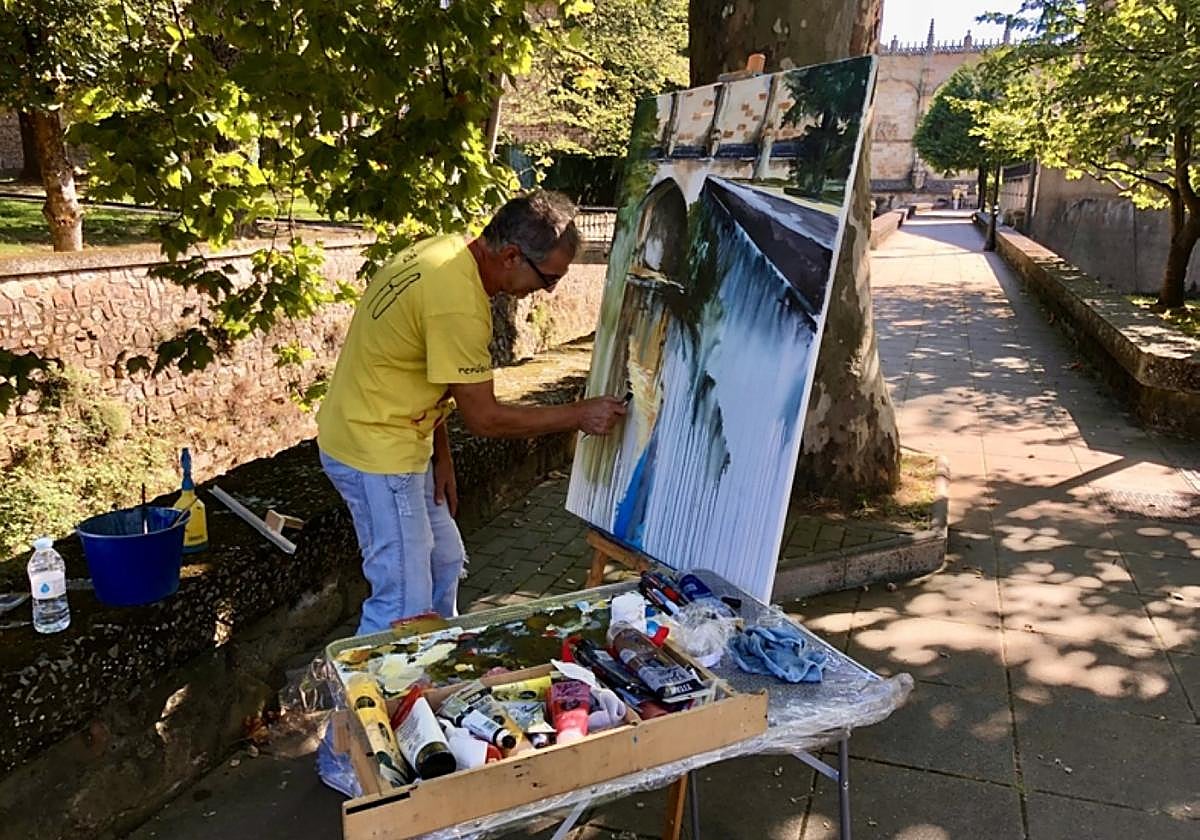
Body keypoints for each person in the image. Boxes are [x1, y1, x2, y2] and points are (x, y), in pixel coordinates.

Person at [317, 191, 626, 635]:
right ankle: (365, 699)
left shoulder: (445, 251)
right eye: (548, 279)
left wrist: (442, 457)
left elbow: (433, 377)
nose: (547, 292)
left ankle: (436, 664)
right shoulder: (457, 303)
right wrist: (578, 414)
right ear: (512, 256)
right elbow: (485, 418)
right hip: (375, 453)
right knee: (403, 605)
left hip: (395, 439)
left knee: (444, 560)